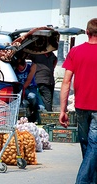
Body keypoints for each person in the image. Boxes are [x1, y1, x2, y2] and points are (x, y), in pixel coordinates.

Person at [59, 18, 97, 184]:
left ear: (87, 32)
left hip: (81, 106)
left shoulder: (75, 51)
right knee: (92, 146)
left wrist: (63, 110)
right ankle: (83, 181)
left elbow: (66, 82)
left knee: (87, 145)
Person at [14, 51, 42, 123]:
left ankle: (35, 112)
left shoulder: (30, 66)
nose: (19, 69)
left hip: (30, 87)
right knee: (30, 97)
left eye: (20, 67)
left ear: (23, 65)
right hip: (21, 88)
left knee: (39, 105)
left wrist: (23, 88)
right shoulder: (15, 70)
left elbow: (29, 80)